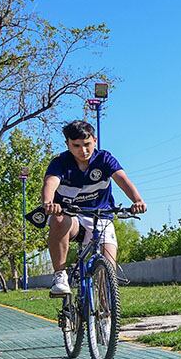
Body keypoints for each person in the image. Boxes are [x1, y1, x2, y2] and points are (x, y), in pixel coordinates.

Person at [42, 120, 146, 296]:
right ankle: (60, 276)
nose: (83, 150)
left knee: (108, 270)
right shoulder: (60, 162)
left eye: (87, 144)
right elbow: (50, 182)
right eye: (76, 146)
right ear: (67, 144)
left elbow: (122, 179)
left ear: (95, 140)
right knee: (58, 219)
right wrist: (48, 202)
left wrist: (137, 200)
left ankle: (106, 315)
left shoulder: (104, 159)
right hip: (72, 216)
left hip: (101, 216)